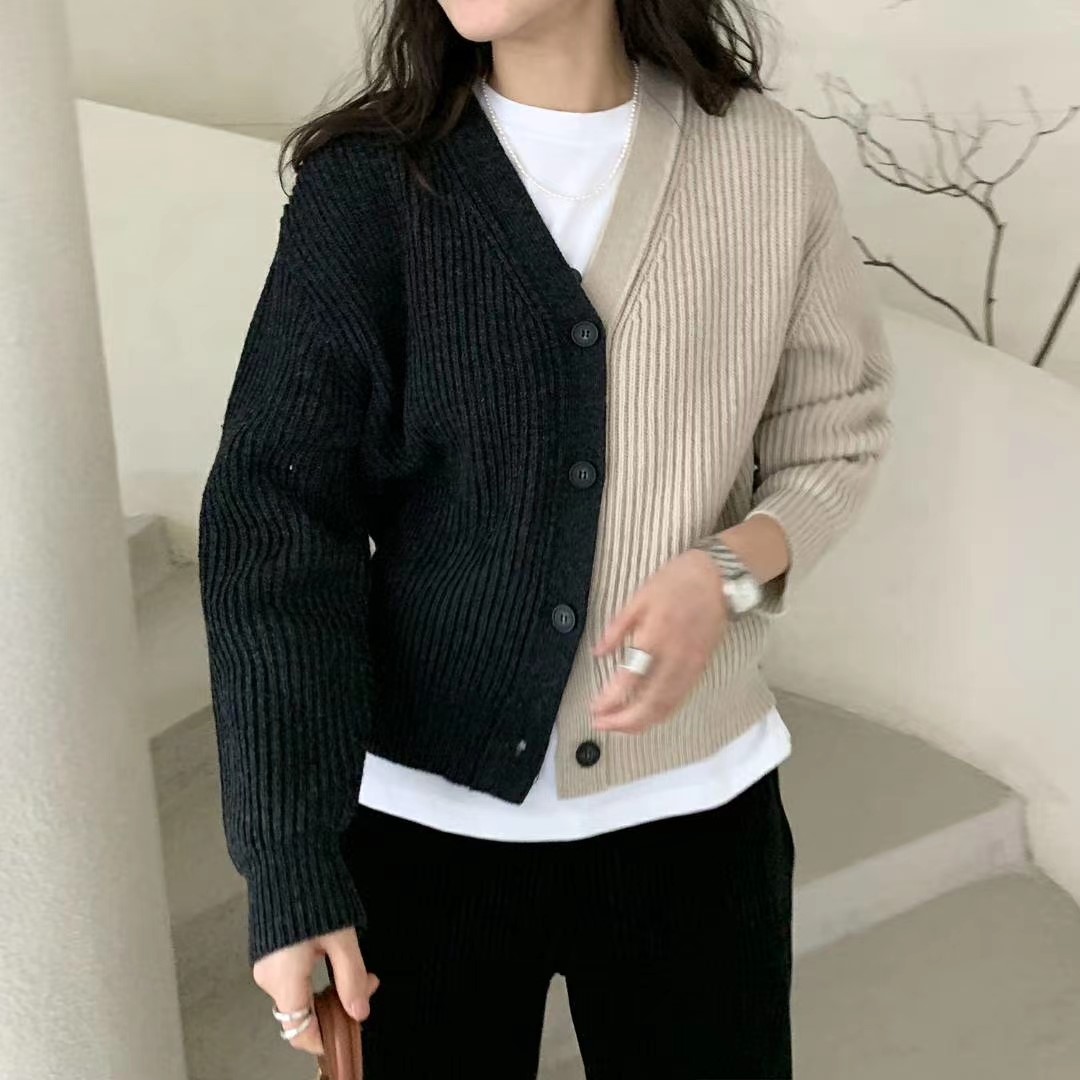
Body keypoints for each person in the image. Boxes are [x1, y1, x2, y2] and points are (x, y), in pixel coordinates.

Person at [197, 0, 893, 1074]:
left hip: (698, 818)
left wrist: (724, 576)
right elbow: (278, 531)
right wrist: (289, 860)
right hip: (424, 834)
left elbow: (832, 439)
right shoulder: (371, 189)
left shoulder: (761, 160)